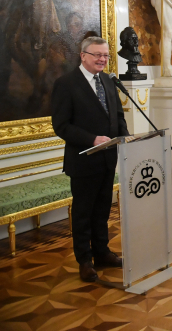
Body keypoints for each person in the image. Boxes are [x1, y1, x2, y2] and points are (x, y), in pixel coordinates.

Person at [51, 36, 130, 282]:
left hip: (108, 159)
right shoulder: (66, 84)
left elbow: (117, 116)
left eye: (105, 55)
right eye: (97, 55)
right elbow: (61, 126)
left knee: (103, 210)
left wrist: (126, 138)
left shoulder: (108, 80)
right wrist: (92, 139)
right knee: (83, 213)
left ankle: (102, 252)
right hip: (84, 160)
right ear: (83, 55)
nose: (102, 59)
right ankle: (84, 260)